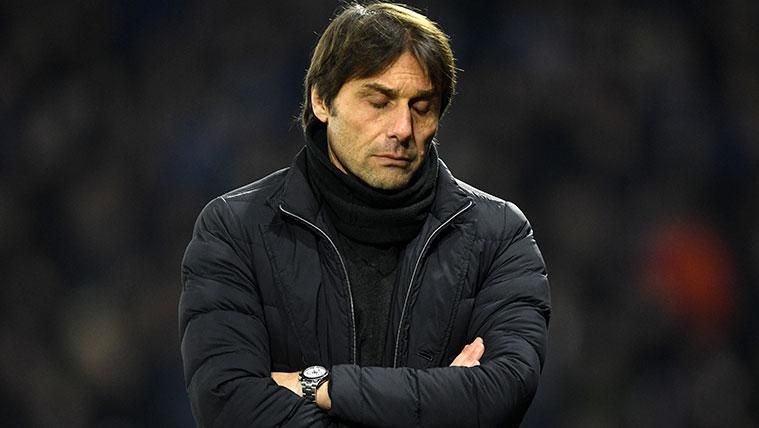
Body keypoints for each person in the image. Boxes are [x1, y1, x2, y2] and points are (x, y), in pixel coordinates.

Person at [179, 2, 551, 427]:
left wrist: (319, 386)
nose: (403, 129)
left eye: (421, 107)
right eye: (379, 102)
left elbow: (501, 393)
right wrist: (437, 405)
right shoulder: (234, 230)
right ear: (322, 100)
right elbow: (229, 405)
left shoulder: (499, 235)